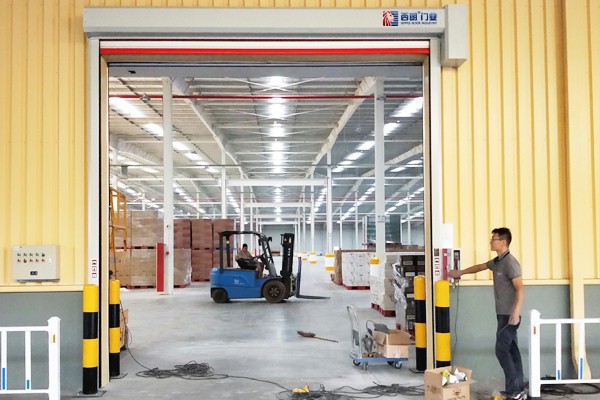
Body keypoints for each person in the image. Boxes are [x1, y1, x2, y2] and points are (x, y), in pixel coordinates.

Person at [448, 227, 526, 400]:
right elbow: (480, 267)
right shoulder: (497, 261)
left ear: (503, 242)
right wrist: (460, 272)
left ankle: (516, 391)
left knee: (501, 350)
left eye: (493, 239)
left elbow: (520, 288)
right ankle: (517, 389)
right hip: (502, 315)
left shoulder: (510, 262)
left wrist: (516, 312)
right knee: (512, 351)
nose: (491, 242)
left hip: (510, 316)